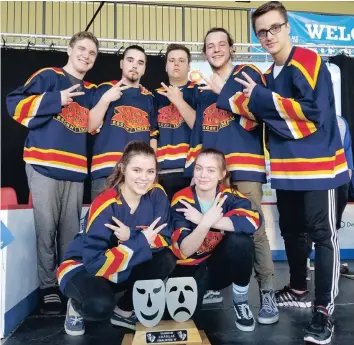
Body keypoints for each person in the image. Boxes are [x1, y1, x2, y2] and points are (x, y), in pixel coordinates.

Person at [232, 2, 350, 343]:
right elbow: (255, 113)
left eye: (274, 28)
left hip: (320, 170)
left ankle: (323, 309)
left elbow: (312, 113)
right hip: (286, 172)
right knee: (293, 231)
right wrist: (249, 101)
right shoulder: (268, 76)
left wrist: (260, 100)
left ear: (287, 28)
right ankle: (299, 288)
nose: (268, 36)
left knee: (323, 236)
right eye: (261, 32)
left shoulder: (308, 60)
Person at [185, 27, 278, 324]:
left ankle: (267, 292)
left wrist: (222, 90)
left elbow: (258, 114)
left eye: (221, 44)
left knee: (253, 230)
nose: (215, 49)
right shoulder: (202, 89)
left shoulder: (247, 72)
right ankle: (216, 285)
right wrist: (193, 169)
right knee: (212, 225)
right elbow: (198, 133)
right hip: (214, 172)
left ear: (231, 48)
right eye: (209, 46)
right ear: (204, 52)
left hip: (246, 167)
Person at [6, 31, 99, 314]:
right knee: (45, 229)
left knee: (70, 234)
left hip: (74, 170)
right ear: (69, 49)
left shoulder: (91, 90)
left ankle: (66, 283)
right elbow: (15, 105)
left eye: (92, 53)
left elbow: (93, 126)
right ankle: (47, 286)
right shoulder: (49, 76)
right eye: (81, 48)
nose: (86, 55)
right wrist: (55, 99)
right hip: (43, 165)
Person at [57, 141, 176, 336]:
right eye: (137, 170)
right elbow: (94, 263)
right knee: (99, 305)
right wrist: (140, 241)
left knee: (166, 259)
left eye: (150, 172)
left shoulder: (157, 195)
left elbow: (164, 238)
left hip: (119, 263)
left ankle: (123, 310)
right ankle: (76, 304)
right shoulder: (105, 203)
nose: (144, 179)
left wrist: (131, 235)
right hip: (83, 266)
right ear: (123, 168)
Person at [170, 148, 260, 332]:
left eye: (211, 170)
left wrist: (203, 219)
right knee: (183, 322)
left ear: (222, 174)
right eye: (199, 168)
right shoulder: (182, 199)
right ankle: (204, 293)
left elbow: (253, 221)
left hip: (218, 270)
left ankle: (240, 301)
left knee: (241, 242)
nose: (203, 175)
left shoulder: (230, 196)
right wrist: (206, 223)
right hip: (189, 268)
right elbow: (185, 250)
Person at [88, 45, 158, 200]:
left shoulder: (149, 98)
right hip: (105, 171)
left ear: (144, 69)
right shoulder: (105, 89)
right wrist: (106, 99)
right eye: (130, 60)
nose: (134, 65)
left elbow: (153, 136)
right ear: (121, 63)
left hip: (139, 175)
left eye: (140, 63)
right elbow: (89, 126)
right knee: (101, 222)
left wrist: (152, 172)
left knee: (135, 223)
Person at [307, 115, 354, 278]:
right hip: (316, 179)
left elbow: (347, 152)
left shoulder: (341, 122)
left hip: (340, 180)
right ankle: (303, 265)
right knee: (310, 224)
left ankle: (334, 261)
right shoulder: (307, 118)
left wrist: (347, 180)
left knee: (334, 224)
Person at [154, 44, 198, 200]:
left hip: (192, 173)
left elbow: (199, 127)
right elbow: (151, 135)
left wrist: (179, 101)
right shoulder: (155, 96)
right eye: (172, 60)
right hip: (161, 173)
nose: (176, 64)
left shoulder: (199, 91)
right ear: (166, 66)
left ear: (189, 66)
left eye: (181, 60)